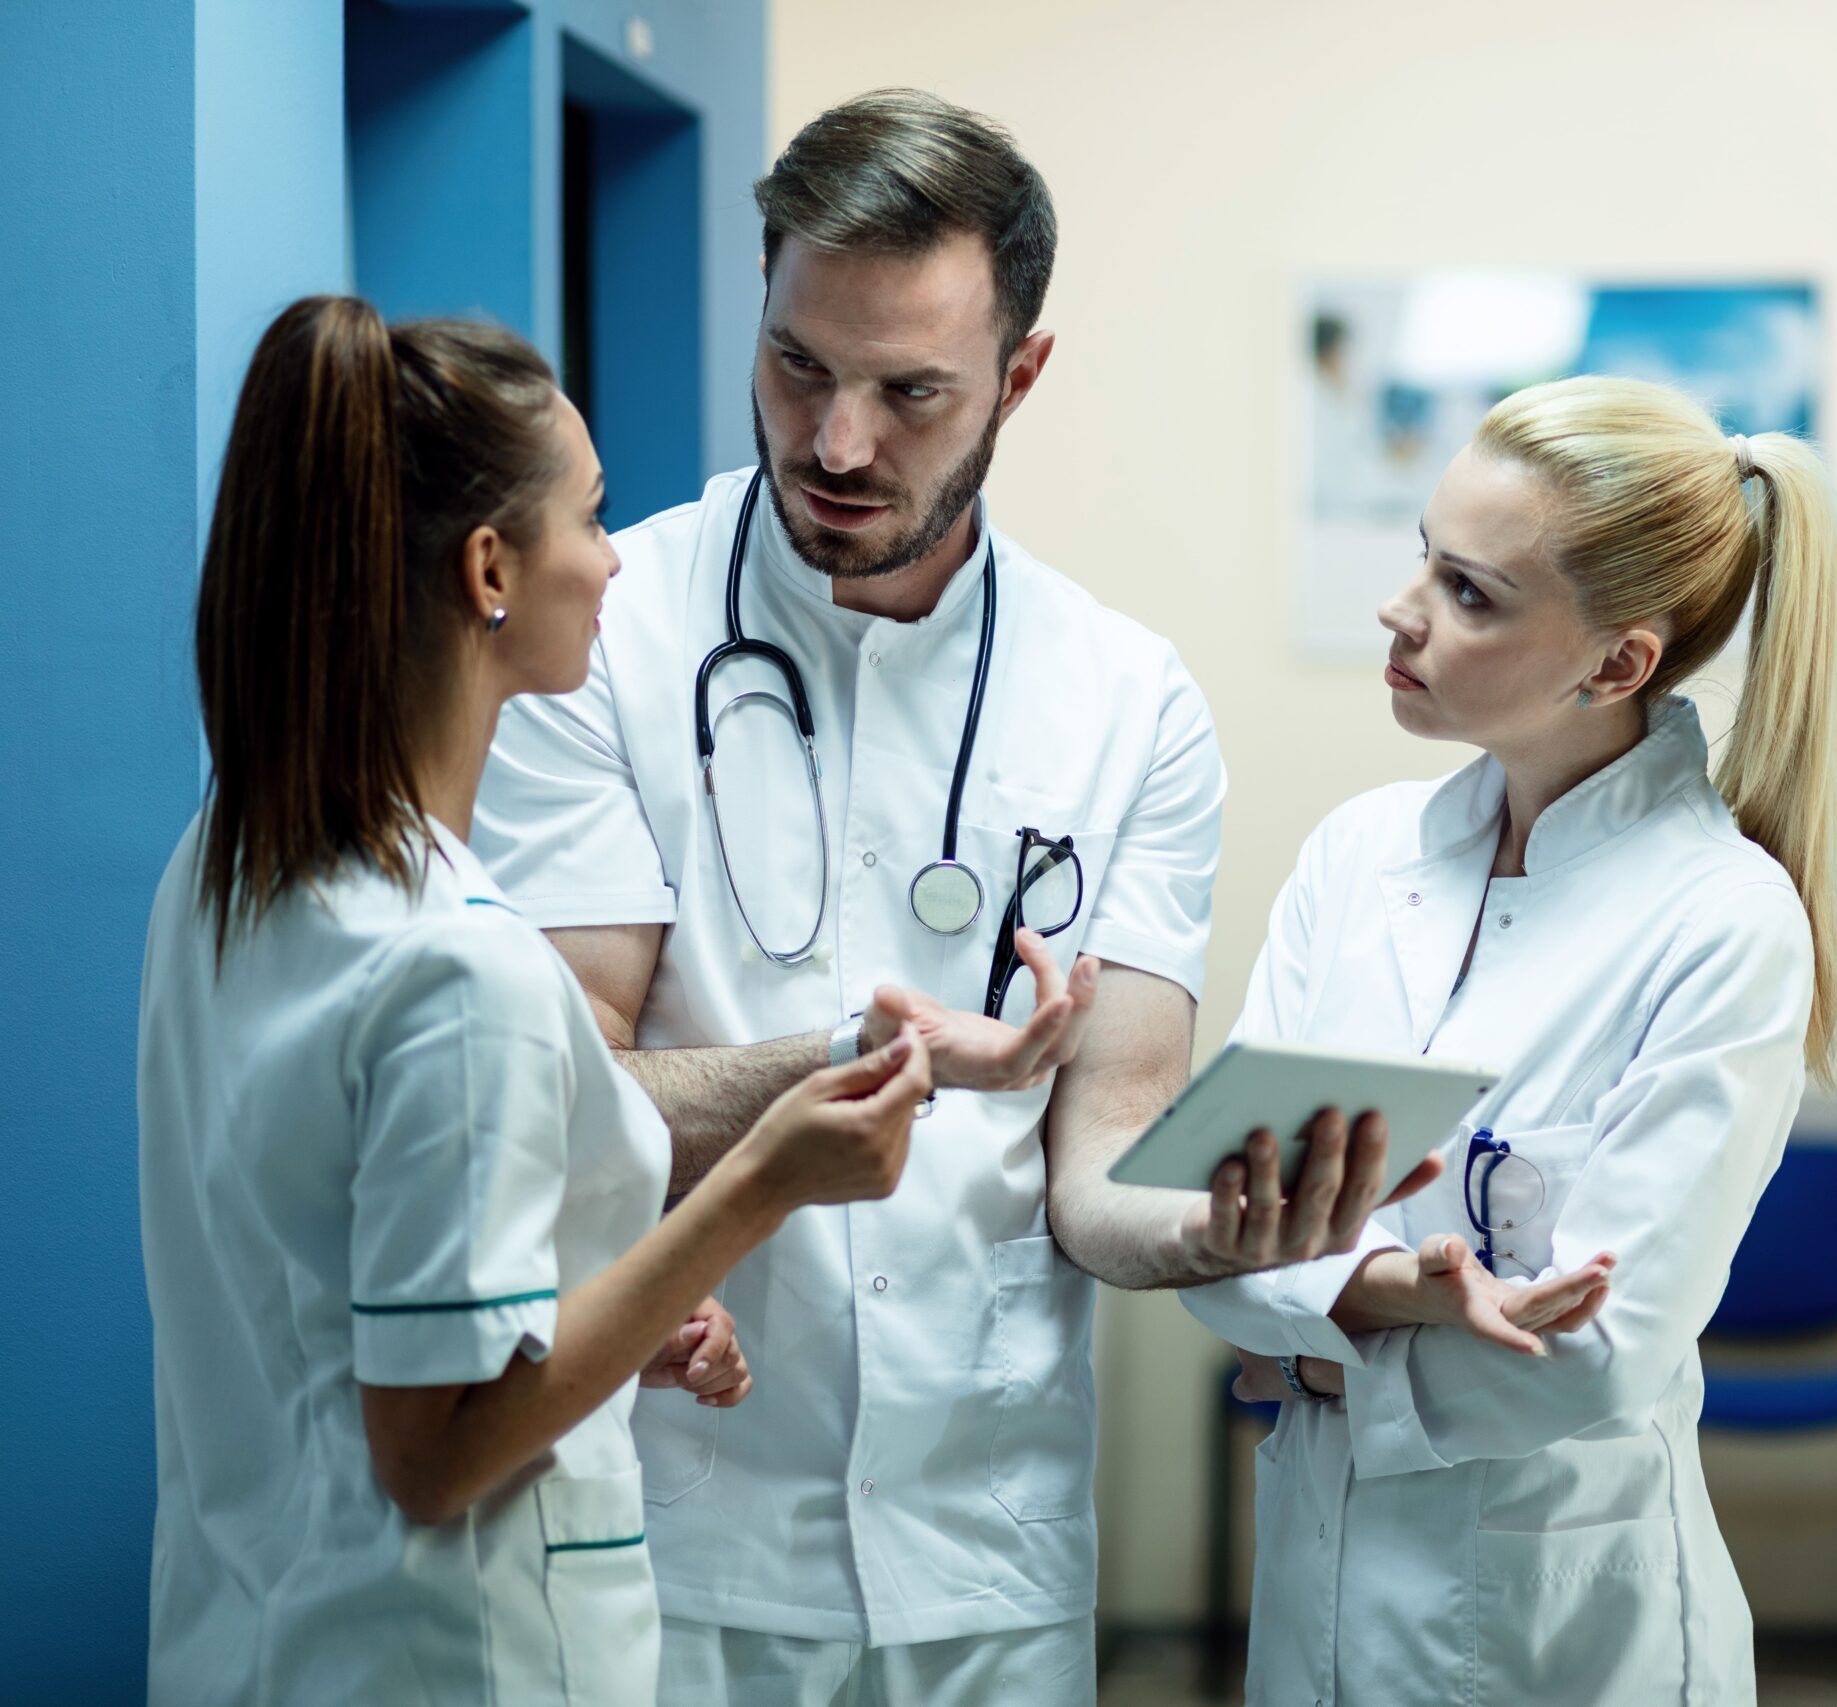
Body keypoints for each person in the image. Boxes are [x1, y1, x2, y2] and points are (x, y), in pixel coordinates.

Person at [469, 89, 1419, 1707]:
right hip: (674, 1529)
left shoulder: (1126, 701)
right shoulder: (601, 642)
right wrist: (852, 1059)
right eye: (799, 366)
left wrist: (1226, 1231)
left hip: (987, 1545)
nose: (837, 444)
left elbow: (1099, 1163)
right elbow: (570, 1096)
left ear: (1020, 375)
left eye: (912, 392)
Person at [137, 298, 932, 1706]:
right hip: (460, 1657)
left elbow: (330, 1294)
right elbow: (433, 1455)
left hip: (258, 1637)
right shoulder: (461, 970)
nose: (614, 560)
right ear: (490, 568)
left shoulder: (228, 867)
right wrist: (760, 1186)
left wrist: (605, 1312)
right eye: (588, 515)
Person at [1184, 375, 1837, 1706]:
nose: (1403, 610)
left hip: (1560, 1641)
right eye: (1423, 557)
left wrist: (1306, 1339)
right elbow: (1210, 1223)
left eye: (1470, 592)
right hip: (1314, 1610)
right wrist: (1384, 1299)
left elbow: (1599, 1357)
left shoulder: (1722, 922)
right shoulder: (1356, 858)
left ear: (1619, 663)